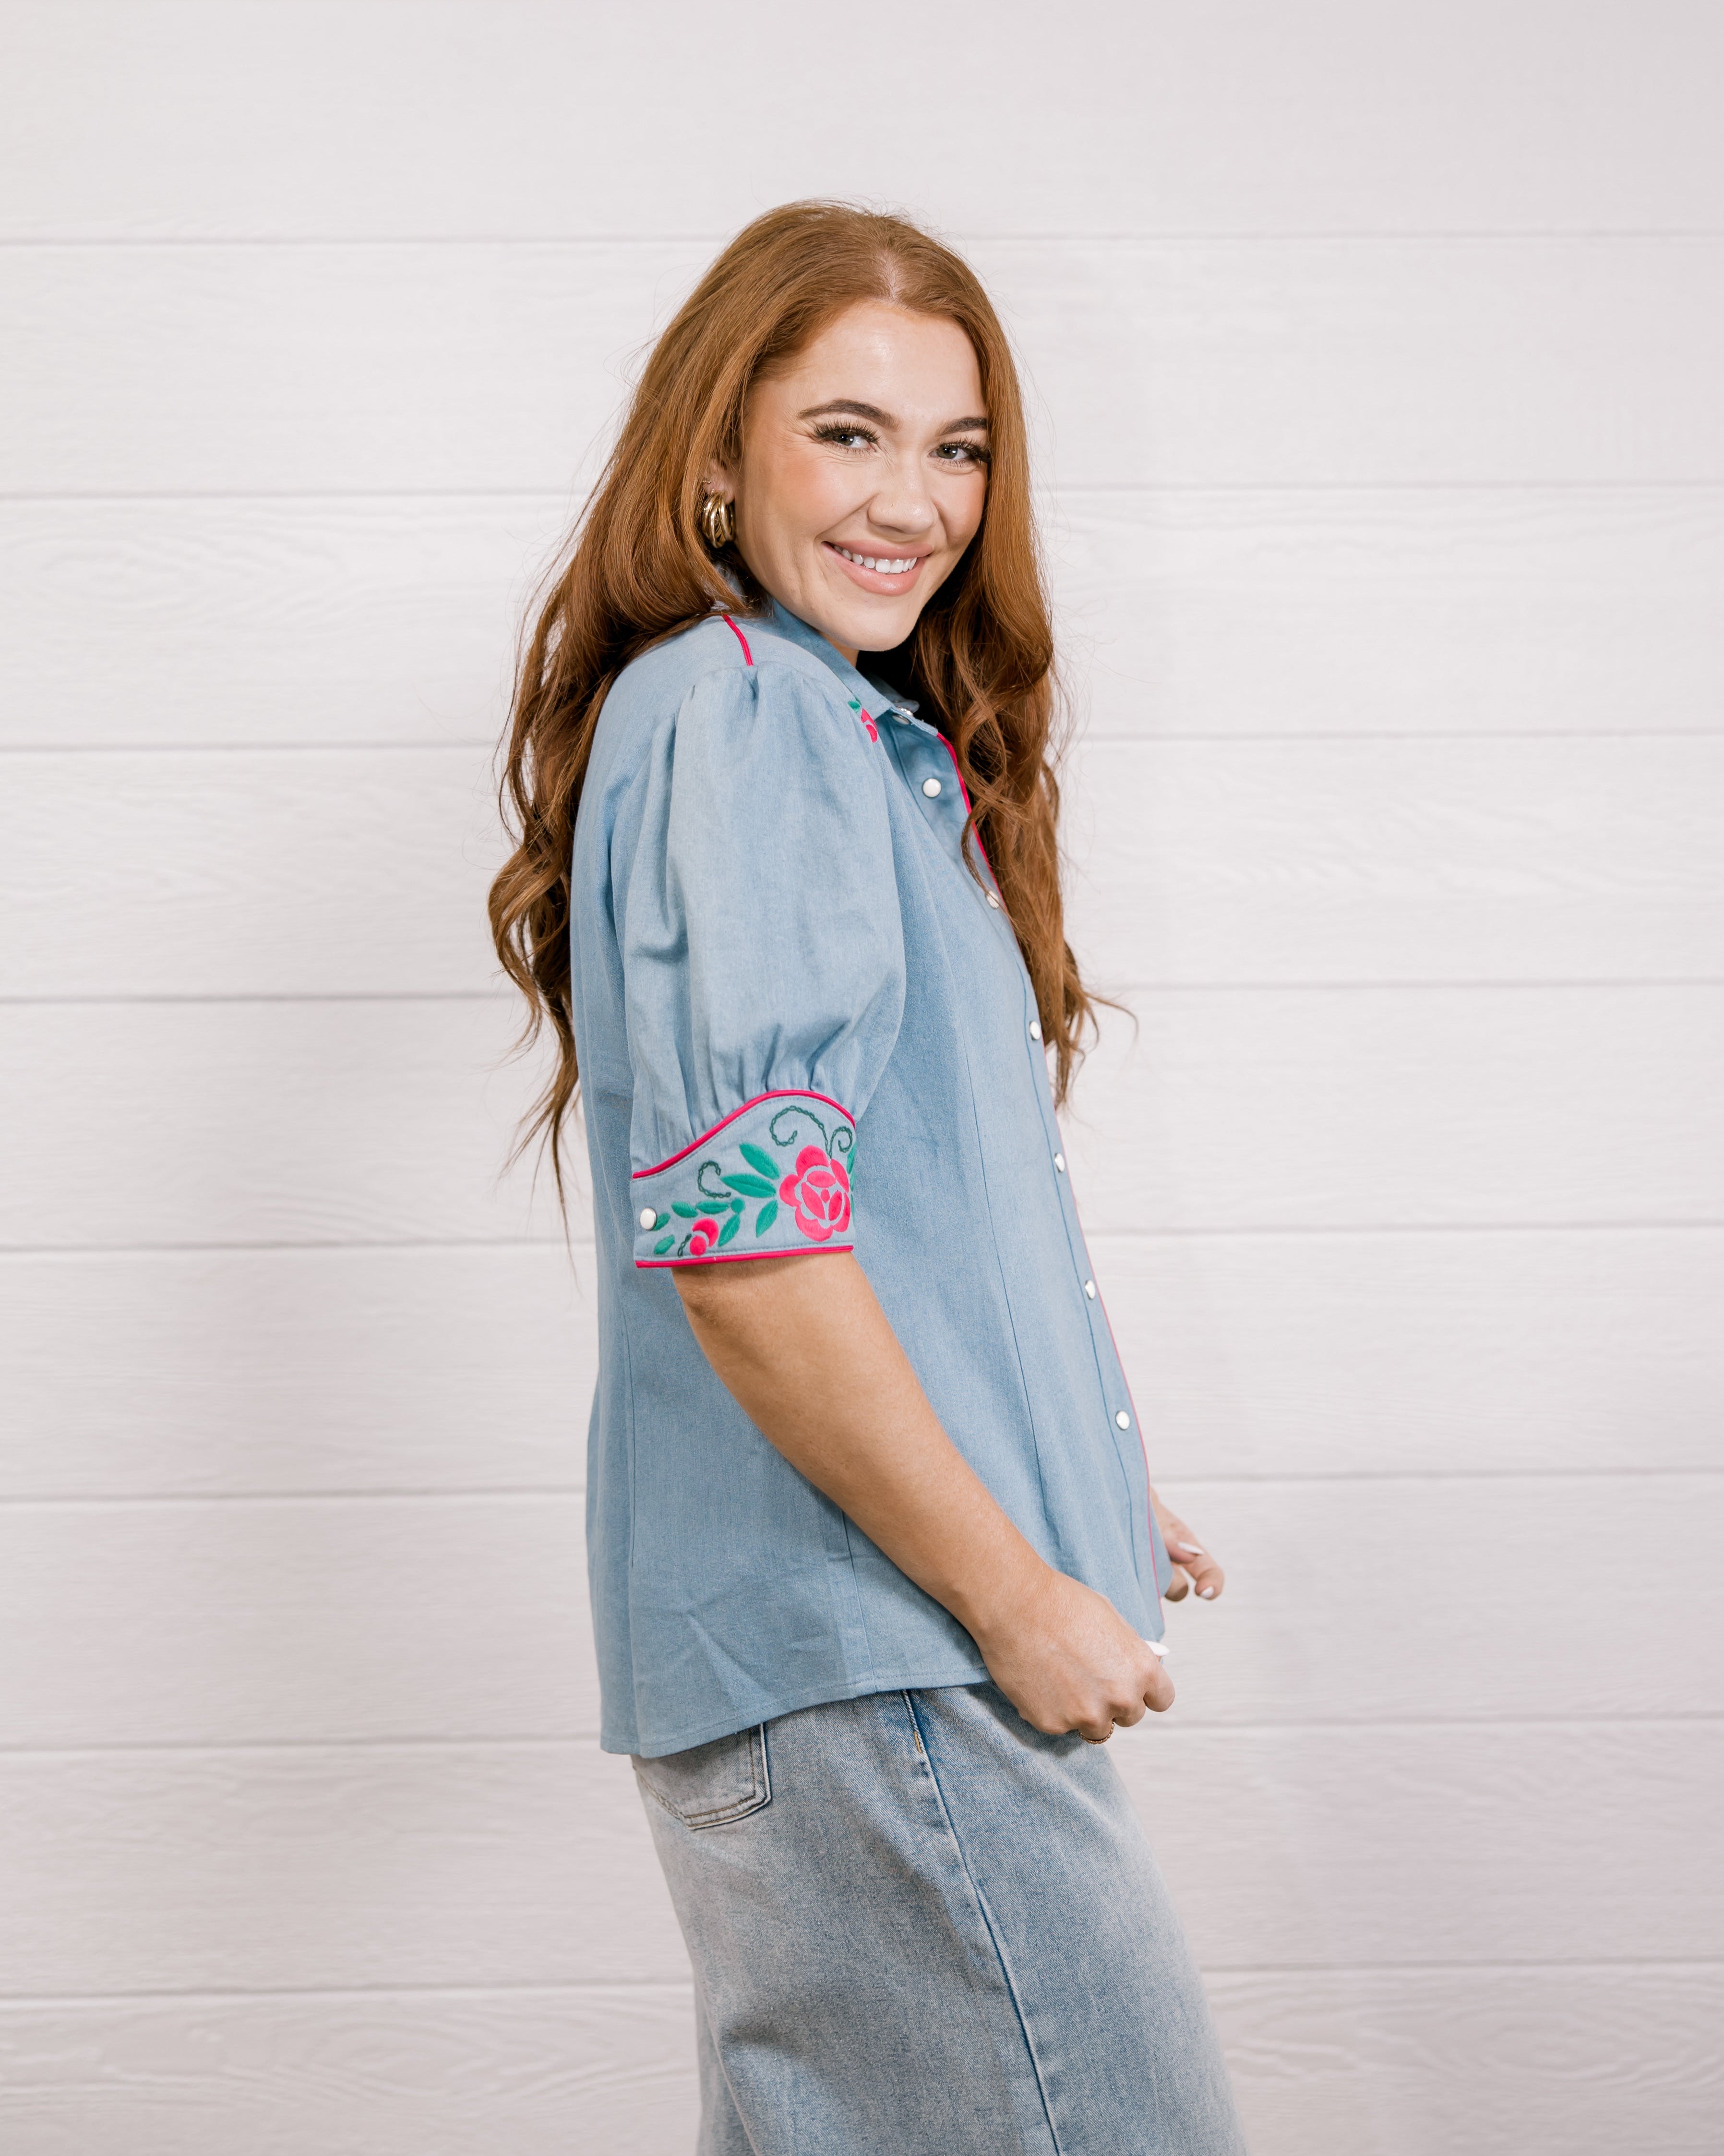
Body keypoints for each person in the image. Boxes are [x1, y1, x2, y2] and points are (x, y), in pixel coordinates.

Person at [490, 200, 1247, 2156]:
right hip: (886, 1658)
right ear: (719, 458)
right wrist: (1009, 1584)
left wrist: (1067, 1450)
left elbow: (866, 1212)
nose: (911, 498)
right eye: (846, 432)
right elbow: (746, 1254)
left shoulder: (829, 728)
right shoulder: (747, 714)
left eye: (957, 447)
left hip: (856, 1650)